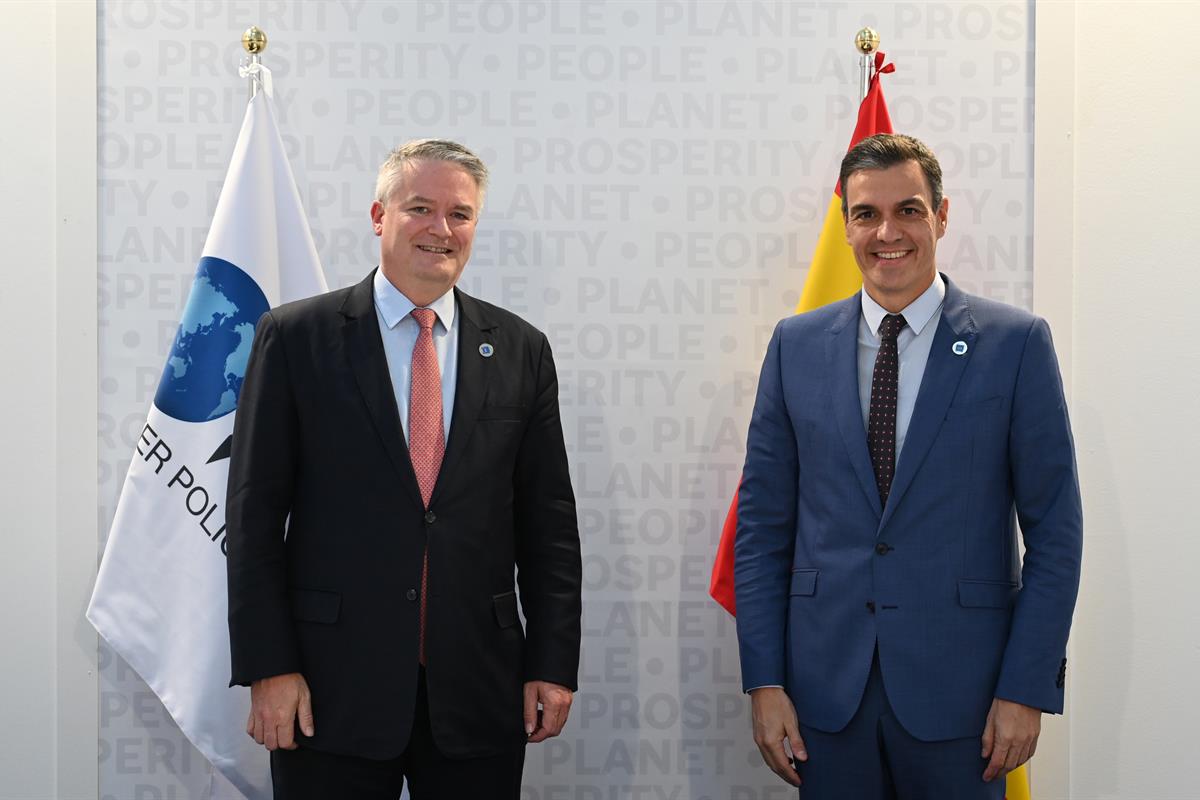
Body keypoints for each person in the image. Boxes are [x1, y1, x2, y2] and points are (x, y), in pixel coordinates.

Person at [226, 139, 582, 799]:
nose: (441, 229)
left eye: (460, 213)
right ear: (378, 215)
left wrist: (554, 665)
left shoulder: (521, 351)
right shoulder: (296, 338)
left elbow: (549, 528)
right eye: (420, 207)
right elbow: (252, 519)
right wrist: (268, 667)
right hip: (328, 690)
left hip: (479, 687)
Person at [734, 133, 1082, 799]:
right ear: (846, 225)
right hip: (824, 701)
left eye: (909, 210)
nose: (887, 232)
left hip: (968, 704)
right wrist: (765, 681)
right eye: (866, 214)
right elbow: (761, 530)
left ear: (941, 217)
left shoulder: (1015, 345)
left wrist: (1025, 688)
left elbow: (1056, 535)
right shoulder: (794, 347)